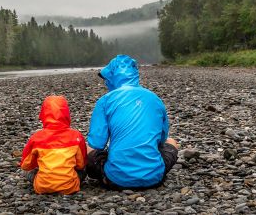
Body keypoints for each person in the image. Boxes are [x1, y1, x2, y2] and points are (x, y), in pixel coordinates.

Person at [86, 55, 178, 189]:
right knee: (172, 142)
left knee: (87, 148)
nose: (105, 82)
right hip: (154, 178)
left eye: (106, 79)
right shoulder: (155, 99)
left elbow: (96, 143)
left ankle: (114, 173)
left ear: (112, 78)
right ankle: (148, 168)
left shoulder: (105, 101)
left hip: (115, 179)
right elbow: (162, 138)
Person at [19, 95, 87, 194]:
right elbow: (80, 165)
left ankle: (47, 182)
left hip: (42, 186)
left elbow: (25, 165)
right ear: (66, 114)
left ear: (43, 113)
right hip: (69, 187)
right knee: (84, 169)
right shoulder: (76, 136)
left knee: (26, 172)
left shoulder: (36, 137)